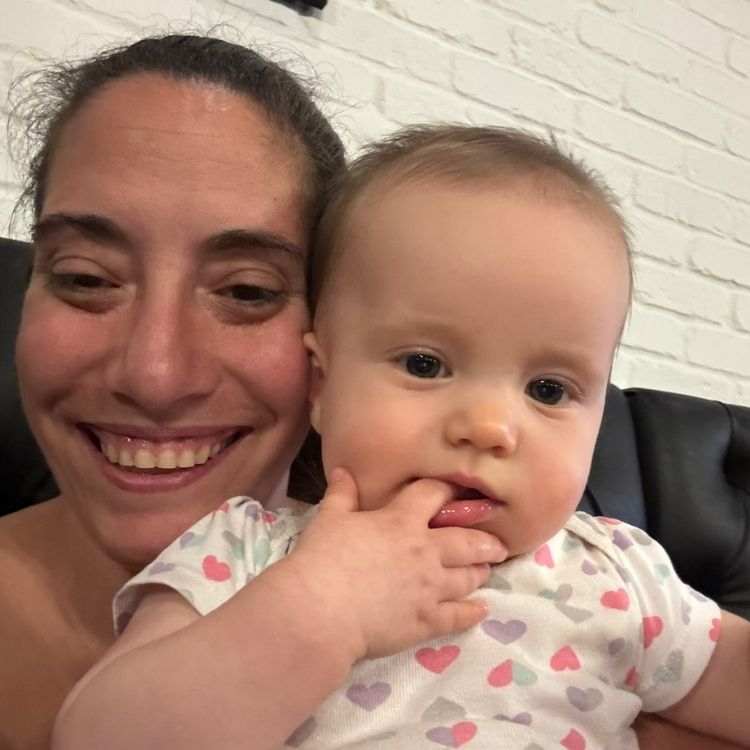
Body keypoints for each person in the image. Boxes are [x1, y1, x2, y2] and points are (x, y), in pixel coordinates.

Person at [52, 125, 750, 749]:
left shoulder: (622, 576)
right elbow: (100, 738)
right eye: (424, 365)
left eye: (548, 390)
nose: (489, 428)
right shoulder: (246, 553)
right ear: (321, 385)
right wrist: (319, 612)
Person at [0, 35, 507, 750]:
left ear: (332, 347)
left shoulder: (522, 635)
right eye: (86, 278)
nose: (154, 376)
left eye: (247, 291)